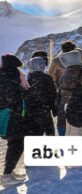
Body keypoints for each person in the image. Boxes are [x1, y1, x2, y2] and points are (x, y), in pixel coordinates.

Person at [48, 41, 82, 137]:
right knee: (78, 120)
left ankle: (67, 143)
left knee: (63, 119)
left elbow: (50, 77)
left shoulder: (56, 61)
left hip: (64, 94)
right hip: (80, 94)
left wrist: (58, 87)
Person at [1, 54, 28, 186]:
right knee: (17, 143)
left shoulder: (4, 74)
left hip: (8, 114)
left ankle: (8, 172)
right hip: (12, 115)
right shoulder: (11, 75)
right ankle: (6, 175)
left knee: (13, 143)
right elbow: (13, 96)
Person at [25, 53, 57, 137]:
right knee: (49, 132)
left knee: (34, 134)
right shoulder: (46, 78)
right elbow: (52, 95)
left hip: (30, 111)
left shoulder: (28, 77)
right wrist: (54, 109)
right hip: (44, 110)